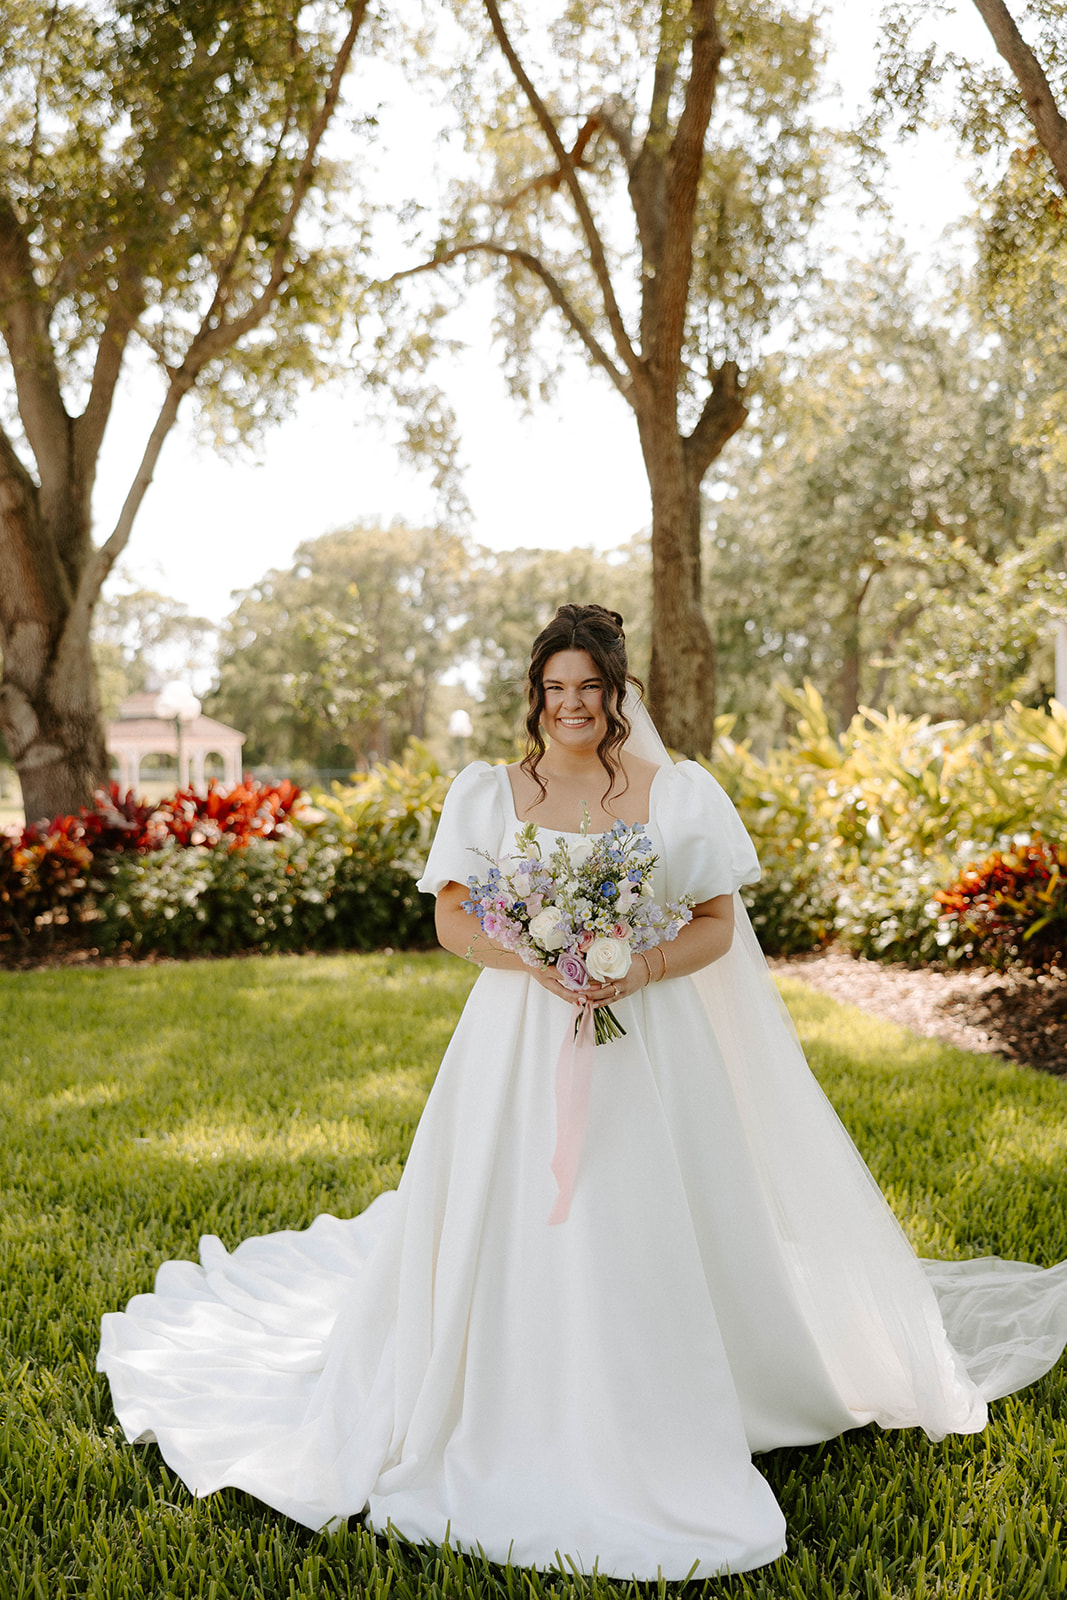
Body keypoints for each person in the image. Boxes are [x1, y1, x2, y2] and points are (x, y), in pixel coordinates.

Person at [98, 603, 1067, 1581]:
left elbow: (712, 924)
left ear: (615, 695)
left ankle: (658, 1389)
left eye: (587, 690)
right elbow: (447, 917)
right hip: (516, 1035)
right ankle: (513, 1391)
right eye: (553, 689)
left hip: (645, 1038)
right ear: (536, 695)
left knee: (639, 1202)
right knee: (511, 1204)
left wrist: (632, 969)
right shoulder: (487, 793)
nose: (570, 705)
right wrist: (524, 953)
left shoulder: (674, 793)